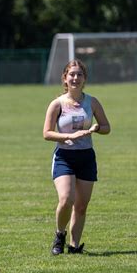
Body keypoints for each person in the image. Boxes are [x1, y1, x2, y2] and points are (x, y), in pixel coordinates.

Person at [43, 59, 110, 255]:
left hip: (86, 157)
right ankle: (59, 235)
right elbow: (47, 133)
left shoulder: (92, 102)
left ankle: (74, 246)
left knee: (81, 206)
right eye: (71, 74)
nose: (75, 78)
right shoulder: (57, 104)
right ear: (65, 78)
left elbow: (107, 127)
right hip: (64, 156)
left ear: (84, 79)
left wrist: (97, 128)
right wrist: (68, 136)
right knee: (66, 199)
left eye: (79, 74)